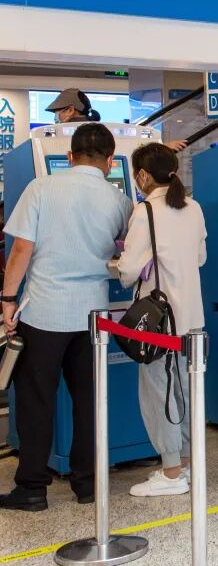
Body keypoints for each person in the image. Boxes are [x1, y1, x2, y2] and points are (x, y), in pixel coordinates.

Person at [0, 123, 133, 511]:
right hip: (93, 315)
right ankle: (87, 484)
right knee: (89, 402)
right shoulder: (120, 200)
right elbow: (125, 249)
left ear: (70, 156)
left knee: (35, 402)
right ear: (111, 161)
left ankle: (32, 488)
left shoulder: (41, 188)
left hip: (44, 313)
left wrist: (7, 299)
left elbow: (21, 249)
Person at [116, 143, 207, 497]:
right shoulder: (193, 207)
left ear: (141, 175)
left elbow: (128, 271)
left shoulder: (145, 212)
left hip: (160, 320)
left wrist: (125, 264)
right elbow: (199, 257)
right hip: (190, 316)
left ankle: (171, 474)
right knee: (183, 389)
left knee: (159, 392)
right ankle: (186, 463)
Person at [46, 88, 188, 152]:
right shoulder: (101, 131)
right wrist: (162, 147)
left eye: (57, 112)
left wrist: (162, 147)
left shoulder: (70, 134)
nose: (56, 117)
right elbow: (128, 145)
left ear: (70, 110)